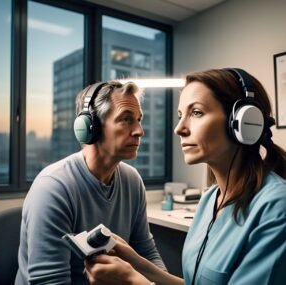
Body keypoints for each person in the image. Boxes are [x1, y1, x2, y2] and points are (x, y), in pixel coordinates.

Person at [85, 68, 286, 285]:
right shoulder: (210, 200)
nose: (179, 128)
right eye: (180, 116)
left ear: (243, 122)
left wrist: (133, 281)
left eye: (196, 113)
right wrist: (136, 263)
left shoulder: (277, 207)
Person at [15, 81, 166, 285]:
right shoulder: (53, 188)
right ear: (90, 127)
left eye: (139, 120)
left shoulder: (132, 180)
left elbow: (147, 253)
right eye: (126, 120)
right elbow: (50, 282)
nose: (139, 131)